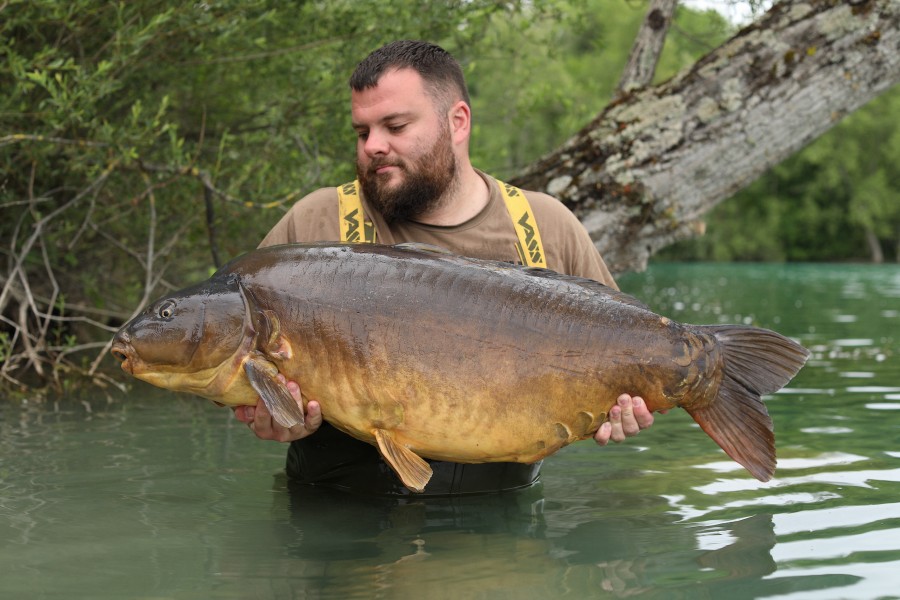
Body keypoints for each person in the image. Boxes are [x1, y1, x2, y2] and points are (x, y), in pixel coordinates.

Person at [234, 40, 655, 495]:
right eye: (362, 132)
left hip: (500, 520)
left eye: (395, 125)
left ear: (457, 122)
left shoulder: (546, 226)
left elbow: (629, 354)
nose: (373, 146)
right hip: (335, 519)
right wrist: (270, 416)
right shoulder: (315, 222)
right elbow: (232, 352)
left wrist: (629, 405)